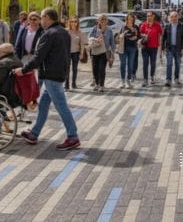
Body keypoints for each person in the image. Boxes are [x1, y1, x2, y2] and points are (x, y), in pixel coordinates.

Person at [16, 8, 80, 151]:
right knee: (44, 104)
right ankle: (34, 133)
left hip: (51, 76)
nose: (40, 21)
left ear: (47, 17)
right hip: (57, 74)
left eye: (42, 17)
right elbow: (66, 56)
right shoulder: (64, 32)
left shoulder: (49, 34)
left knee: (61, 106)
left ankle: (73, 136)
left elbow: (39, 57)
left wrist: (23, 70)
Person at [161, 11, 183, 87]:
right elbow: (163, 38)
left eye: (175, 16)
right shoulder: (167, 26)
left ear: (178, 17)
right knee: (169, 64)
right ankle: (168, 80)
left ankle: (176, 78)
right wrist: (162, 48)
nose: (174, 18)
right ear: (169, 17)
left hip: (178, 48)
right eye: (172, 16)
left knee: (177, 64)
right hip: (169, 48)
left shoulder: (182, 26)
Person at [89, 14, 114, 92]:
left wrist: (113, 54)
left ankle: (102, 85)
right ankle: (97, 84)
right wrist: (96, 39)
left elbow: (112, 42)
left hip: (105, 52)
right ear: (98, 21)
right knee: (95, 69)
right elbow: (89, 38)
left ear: (106, 21)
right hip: (95, 51)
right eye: (101, 19)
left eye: (104, 20)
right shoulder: (94, 29)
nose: (102, 21)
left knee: (102, 68)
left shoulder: (109, 30)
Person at [139, 11, 163, 86]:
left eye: (150, 16)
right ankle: (145, 79)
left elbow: (160, 36)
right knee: (145, 63)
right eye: (147, 16)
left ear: (153, 17)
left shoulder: (158, 25)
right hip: (145, 47)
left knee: (153, 63)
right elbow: (139, 35)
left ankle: (152, 76)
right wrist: (144, 35)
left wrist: (160, 47)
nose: (148, 17)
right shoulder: (143, 25)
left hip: (154, 47)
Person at [118, 14, 139, 88]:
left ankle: (128, 81)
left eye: (132, 18)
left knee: (130, 65)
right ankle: (123, 81)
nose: (130, 20)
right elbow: (119, 37)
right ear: (126, 19)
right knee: (122, 64)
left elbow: (138, 37)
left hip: (132, 47)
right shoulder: (123, 27)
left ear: (133, 19)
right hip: (123, 47)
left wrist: (135, 36)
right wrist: (122, 35)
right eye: (129, 18)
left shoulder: (135, 27)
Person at [64, 16, 86, 90]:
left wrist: (82, 54)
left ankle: (74, 83)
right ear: (69, 22)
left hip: (76, 53)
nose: (73, 23)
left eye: (75, 21)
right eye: (71, 21)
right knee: (67, 69)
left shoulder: (80, 32)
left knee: (75, 68)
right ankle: (66, 84)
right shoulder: (66, 31)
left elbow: (82, 44)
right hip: (67, 53)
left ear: (78, 23)